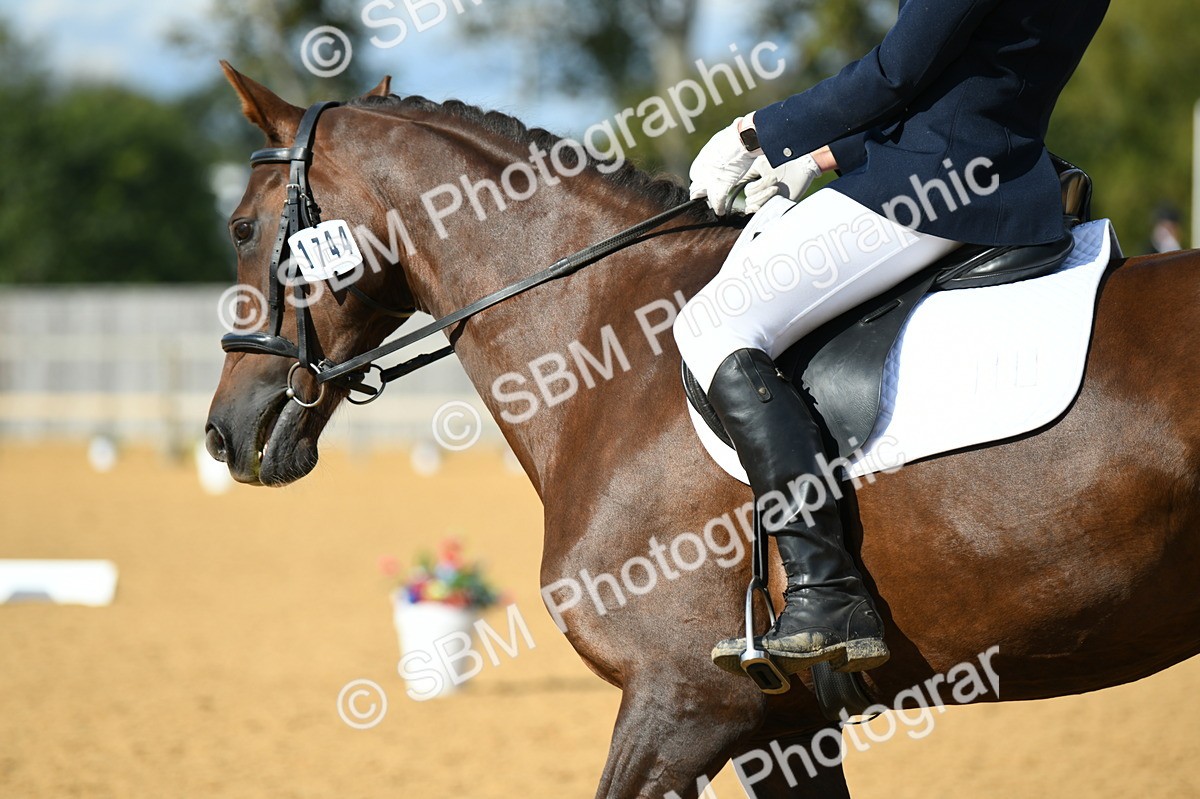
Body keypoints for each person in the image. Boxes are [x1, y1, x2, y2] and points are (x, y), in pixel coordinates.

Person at [678, 0, 1111, 679]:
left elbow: (895, 71)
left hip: (931, 188)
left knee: (710, 325)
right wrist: (826, 155)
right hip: (997, 170)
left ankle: (825, 591)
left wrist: (757, 133)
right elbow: (970, 81)